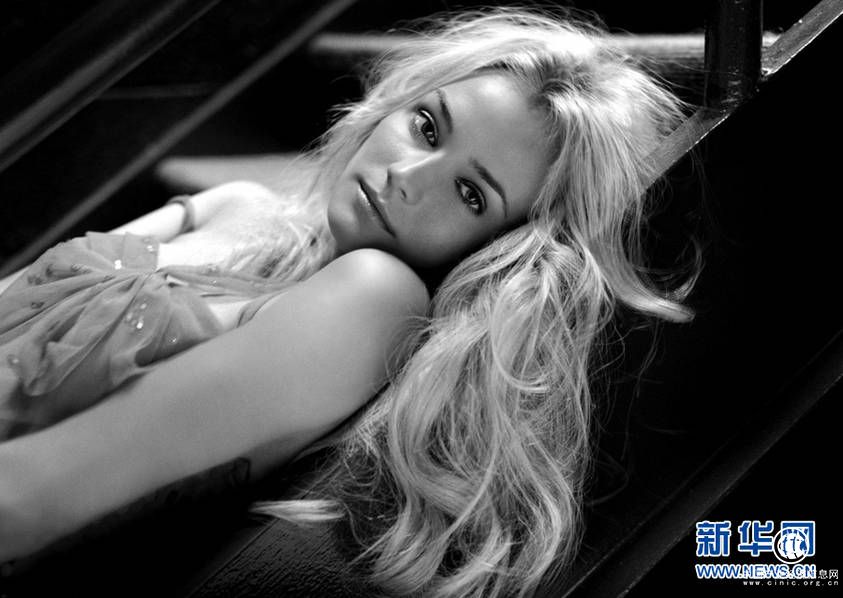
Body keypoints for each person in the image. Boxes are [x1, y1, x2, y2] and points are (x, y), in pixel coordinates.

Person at [0, 9, 695, 598]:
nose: (406, 177)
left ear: (502, 249)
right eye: (427, 127)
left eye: (470, 194)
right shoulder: (239, 205)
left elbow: (25, 500)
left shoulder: (373, 301)